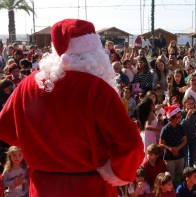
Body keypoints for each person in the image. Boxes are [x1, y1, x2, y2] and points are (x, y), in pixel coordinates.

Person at [0, 19, 144, 197]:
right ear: (95, 53)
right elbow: (131, 143)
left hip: (43, 187)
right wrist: (116, 173)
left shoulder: (27, 85)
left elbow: (6, 129)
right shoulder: (98, 89)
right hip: (91, 188)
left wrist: (39, 146)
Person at [160, 105, 187, 187]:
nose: (179, 119)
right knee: (170, 176)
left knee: (180, 175)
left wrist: (177, 149)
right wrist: (171, 149)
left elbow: (185, 140)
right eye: (177, 117)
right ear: (171, 118)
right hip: (169, 157)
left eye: (180, 117)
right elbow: (161, 143)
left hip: (180, 155)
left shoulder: (180, 127)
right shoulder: (165, 129)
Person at [180, 95, 196, 168]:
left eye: (192, 103)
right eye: (189, 104)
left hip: (193, 137)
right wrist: (187, 117)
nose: (191, 105)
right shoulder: (182, 113)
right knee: (185, 155)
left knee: (192, 155)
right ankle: (183, 171)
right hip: (184, 138)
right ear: (184, 104)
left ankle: (190, 169)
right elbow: (181, 126)